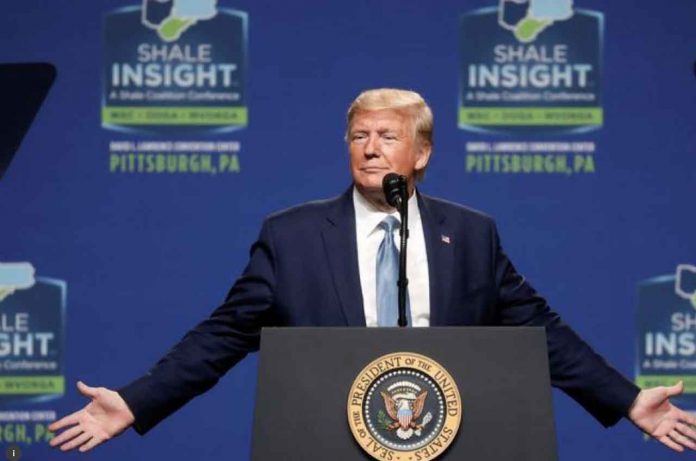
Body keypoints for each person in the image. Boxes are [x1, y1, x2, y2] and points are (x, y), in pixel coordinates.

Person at [49, 88, 696, 454]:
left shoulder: (469, 234)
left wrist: (628, 398)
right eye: (358, 135)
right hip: (329, 445)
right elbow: (222, 336)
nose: (369, 147)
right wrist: (133, 401)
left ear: (422, 153)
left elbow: (541, 330)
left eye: (387, 135)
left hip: (452, 445)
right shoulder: (293, 236)